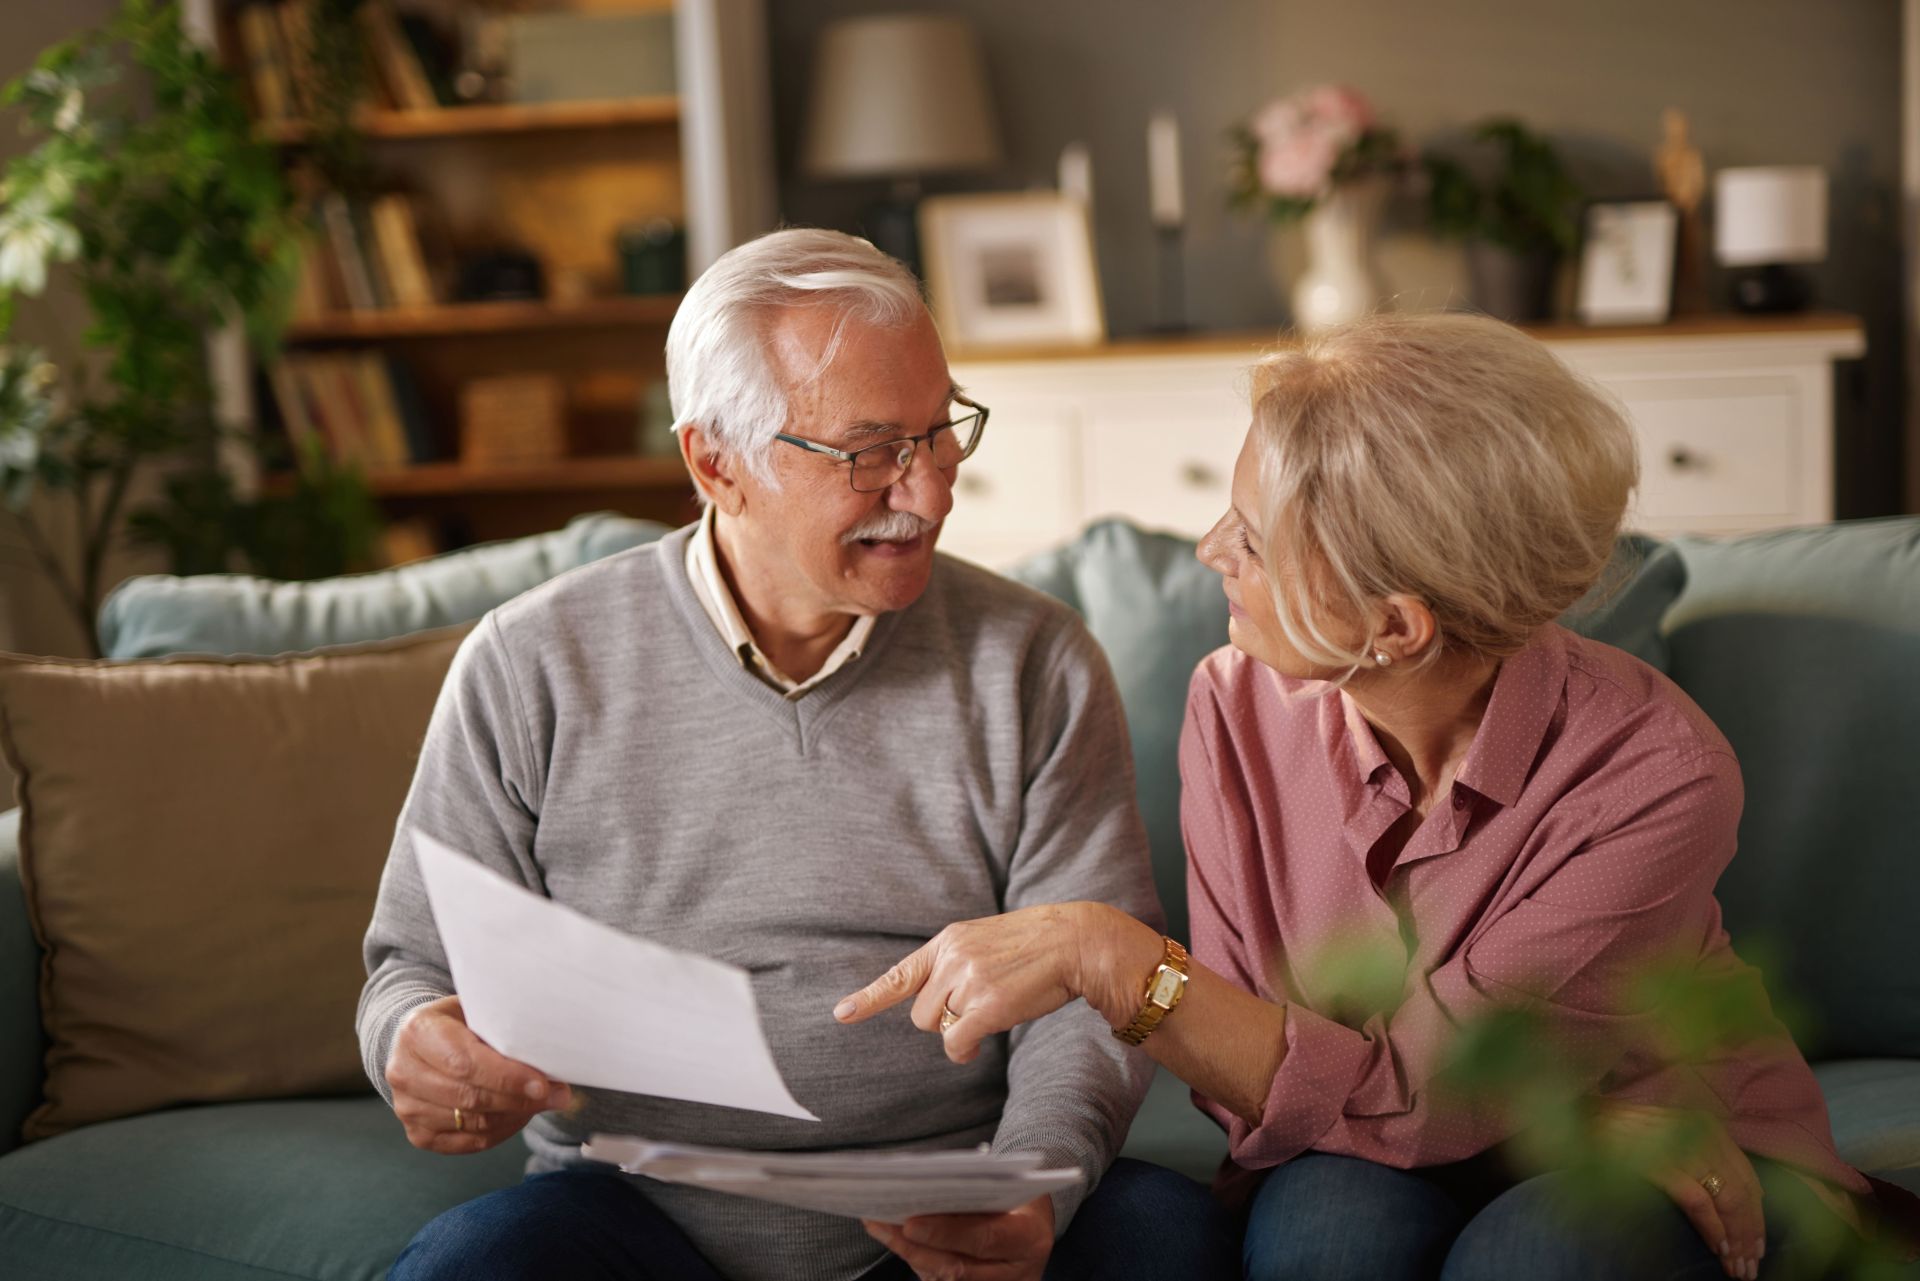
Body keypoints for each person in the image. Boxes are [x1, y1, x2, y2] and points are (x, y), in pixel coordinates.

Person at [837, 312, 1898, 1280]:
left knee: (1536, 1259)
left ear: (1394, 628)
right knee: (1321, 1235)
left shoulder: (1658, 774)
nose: (1213, 551)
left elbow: (1414, 1080)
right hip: (1446, 1135)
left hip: (1665, 1144)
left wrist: (1115, 959)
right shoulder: (1236, 703)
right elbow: (1248, 1084)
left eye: (1251, 542)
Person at [358, 229, 1235, 1281]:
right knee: (469, 1268)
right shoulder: (530, 662)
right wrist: (413, 1042)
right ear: (715, 463)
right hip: (636, 1213)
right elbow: (411, 964)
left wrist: (1033, 1183)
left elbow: (1090, 997)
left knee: (1164, 1242)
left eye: (939, 432)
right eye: (869, 453)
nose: (929, 494)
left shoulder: (1035, 662)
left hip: (952, 1200)